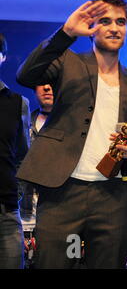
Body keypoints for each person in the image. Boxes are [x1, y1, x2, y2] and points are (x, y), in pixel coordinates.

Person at [16, 0, 127, 269]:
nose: (113, 27)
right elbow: (25, 75)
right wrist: (65, 33)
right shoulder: (69, 61)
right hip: (63, 190)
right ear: (92, 28)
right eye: (105, 21)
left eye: (120, 21)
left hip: (113, 196)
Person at [0, 32, 30, 269]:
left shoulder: (18, 103)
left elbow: (23, 156)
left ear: (2, 57)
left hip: (7, 212)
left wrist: (16, 190)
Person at [19, 84, 54, 268]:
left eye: (52, 82)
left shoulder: (77, 127)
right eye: (42, 83)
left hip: (62, 218)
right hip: (24, 220)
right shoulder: (22, 123)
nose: (47, 87)